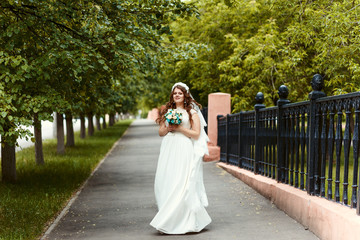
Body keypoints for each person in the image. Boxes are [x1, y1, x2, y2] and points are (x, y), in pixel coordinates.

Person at [150, 82, 212, 234]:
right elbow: (161, 132)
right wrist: (169, 127)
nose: (177, 95)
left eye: (180, 93)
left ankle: (180, 220)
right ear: (172, 96)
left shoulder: (192, 113)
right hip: (168, 148)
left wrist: (180, 128)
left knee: (181, 182)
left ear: (185, 96)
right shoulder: (169, 112)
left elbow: (196, 133)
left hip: (184, 148)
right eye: (175, 93)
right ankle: (168, 217)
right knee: (166, 181)